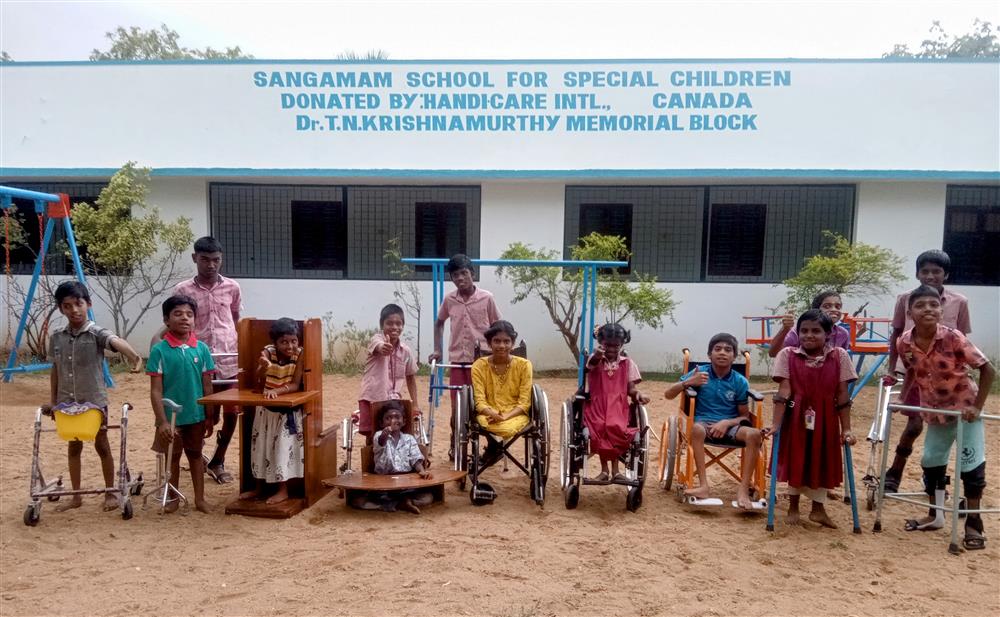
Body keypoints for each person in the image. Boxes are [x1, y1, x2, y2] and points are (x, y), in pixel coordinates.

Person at [893, 285, 993, 550]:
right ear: (910, 312)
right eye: (921, 305)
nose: (928, 309)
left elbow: (987, 369)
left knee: (970, 464)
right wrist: (904, 396)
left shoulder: (953, 337)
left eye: (933, 304)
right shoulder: (904, 342)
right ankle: (935, 514)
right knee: (931, 461)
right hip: (935, 412)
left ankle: (974, 522)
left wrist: (977, 407)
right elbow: (913, 370)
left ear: (940, 309)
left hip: (963, 410)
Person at [153, 236, 242, 484]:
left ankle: (218, 460)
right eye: (205, 260)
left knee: (232, 412)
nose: (211, 265)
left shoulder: (232, 287)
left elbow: (235, 320)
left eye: (216, 260)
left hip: (228, 360)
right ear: (195, 258)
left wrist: (243, 348)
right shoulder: (183, 290)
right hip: (196, 362)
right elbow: (173, 325)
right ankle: (197, 456)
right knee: (201, 414)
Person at [48, 281, 143, 512]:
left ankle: (111, 492)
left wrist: (134, 357)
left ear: (88, 304)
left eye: (79, 304)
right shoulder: (57, 337)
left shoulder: (95, 332)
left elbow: (114, 341)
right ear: (61, 309)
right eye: (67, 306)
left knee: (102, 445)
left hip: (94, 402)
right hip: (67, 402)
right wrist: (53, 402)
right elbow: (55, 370)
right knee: (74, 446)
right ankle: (76, 495)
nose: (74, 310)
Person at [884, 250, 973, 493]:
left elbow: (963, 339)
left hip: (949, 380)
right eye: (925, 271)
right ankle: (894, 472)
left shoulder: (959, 302)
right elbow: (896, 335)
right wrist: (892, 368)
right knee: (914, 426)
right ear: (917, 273)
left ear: (946, 274)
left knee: (945, 430)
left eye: (936, 271)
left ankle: (933, 479)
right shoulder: (905, 300)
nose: (930, 276)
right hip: (917, 372)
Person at [764, 309, 857, 528]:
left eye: (816, 331)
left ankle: (818, 509)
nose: (809, 335)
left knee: (821, 458)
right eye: (804, 331)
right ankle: (793, 506)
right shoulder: (788, 354)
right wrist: (776, 424)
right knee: (797, 456)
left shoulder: (839, 356)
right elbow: (784, 391)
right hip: (795, 408)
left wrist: (847, 429)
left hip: (826, 413)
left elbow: (843, 394)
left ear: (828, 334)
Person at [664, 333, 763, 509]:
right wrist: (688, 382)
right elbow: (668, 394)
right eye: (717, 349)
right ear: (710, 354)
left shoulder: (739, 381)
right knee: (697, 429)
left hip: (731, 425)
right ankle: (703, 486)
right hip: (703, 423)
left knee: (755, 434)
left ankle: (742, 489)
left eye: (728, 350)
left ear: (734, 356)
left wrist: (726, 423)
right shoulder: (699, 373)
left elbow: (744, 417)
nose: (722, 353)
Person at [427, 254, 501, 460]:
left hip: (483, 362)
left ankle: (493, 445)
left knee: (484, 405)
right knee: (457, 407)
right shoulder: (450, 300)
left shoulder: (487, 298)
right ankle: (456, 445)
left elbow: (498, 326)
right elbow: (439, 322)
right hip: (458, 360)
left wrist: (497, 351)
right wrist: (437, 349)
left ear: (472, 274)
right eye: (455, 275)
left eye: (464, 273)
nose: (460, 278)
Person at [147, 294, 216, 513]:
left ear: (195, 319)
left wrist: (210, 416)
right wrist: (162, 421)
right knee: (172, 458)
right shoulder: (159, 350)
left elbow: (208, 386)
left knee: (196, 455)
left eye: (189, 314)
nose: (184, 318)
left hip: (196, 415)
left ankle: (200, 499)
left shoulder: (202, 349)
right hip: (171, 418)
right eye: (178, 314)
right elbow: (156, 390)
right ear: (167, 320)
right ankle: (173, 499)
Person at [238, 318, 304, 505]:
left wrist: (277, 391)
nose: (290, 346)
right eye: (284, 342)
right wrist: (264, 367)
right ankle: (259, 488)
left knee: (281, 450)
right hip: (266, 410)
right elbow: (258, 377)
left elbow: (295, 384)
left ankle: (283, 491)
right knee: (261, 448)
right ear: (275, 342)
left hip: (286, 411)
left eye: (293, 341)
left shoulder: (300, 355)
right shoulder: (268, 352)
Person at [583, 324, 649, 484]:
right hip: (597, 404)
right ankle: (605, 470)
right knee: (599, 427)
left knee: (615, 427)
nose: (612, 349)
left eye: (616, 346)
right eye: (608, 345)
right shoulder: (595, 359)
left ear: (622, 344)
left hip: (618, 405)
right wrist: (597, 355)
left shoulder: (627, 363)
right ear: (601, 343)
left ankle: (616, 470)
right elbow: (589, 366)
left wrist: (638, 394)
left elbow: (631, 389)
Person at [470, 320, 532, 468]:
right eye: (497, 341)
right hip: (487, 414)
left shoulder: (524, 366)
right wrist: (492, 413)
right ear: (489, 343)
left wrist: (505, 416)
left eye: (507, 341)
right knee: (487, 423)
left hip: (515, 414)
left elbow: (524, 403)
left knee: (506, 428)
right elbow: (479, 401)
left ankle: (494, 447)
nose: (502, 346)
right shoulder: (479, 366)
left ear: (513, 343)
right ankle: (495, 447)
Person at [352, 401, 433, 514]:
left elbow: (415, 459)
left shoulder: (409, 439)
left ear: (404, 421)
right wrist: (385, 434)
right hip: (383, 485)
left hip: (406, 483)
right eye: (388, 418)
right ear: (381, 423)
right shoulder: (379, 435)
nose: (393, 421)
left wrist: (422, 471)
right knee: (358, 501)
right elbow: (381, 441)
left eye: (397, 417)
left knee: (428, 497)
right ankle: (399, 504)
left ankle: (397, 503)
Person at [358, 304, 419, 444]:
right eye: (389, 323)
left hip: (394, 400)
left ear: (403, 325)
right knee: (372, 435)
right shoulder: (376, 340)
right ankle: (370, 464)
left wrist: (415, 404)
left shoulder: (406, 351)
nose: (394, 327)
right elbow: (379, 346)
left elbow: (410, 377)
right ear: (382, 324)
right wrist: (384, 347)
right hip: (372, 398)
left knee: (400, 432)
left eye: (398, 323)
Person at [768, 291, 850, 357]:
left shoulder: (843, 334)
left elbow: (842, 361)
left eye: (838, 307)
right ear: (816, 310)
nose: (834, 309)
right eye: (827, 306)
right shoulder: (799, 332)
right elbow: (773, 354)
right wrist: (785, 329)